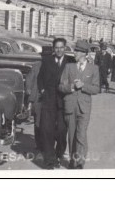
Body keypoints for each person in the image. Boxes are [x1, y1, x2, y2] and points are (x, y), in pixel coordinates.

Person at [58, 40, 100, 169]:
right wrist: (71, 86)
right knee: (71, 135)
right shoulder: (69, 67)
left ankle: (80, 161)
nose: (74, 53)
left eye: (77, 51)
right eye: (75, 50)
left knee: (81, 134)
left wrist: (83, 86)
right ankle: (73, 160)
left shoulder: (94, 68)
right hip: (70, 105)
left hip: (84, 107)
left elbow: (96, 89)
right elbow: (61, 86)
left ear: (84, 54)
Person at [37, 37, 72, 169]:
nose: (59, 50)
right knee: (47, 130)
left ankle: (58, 154)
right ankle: (49, 161)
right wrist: (42, 90)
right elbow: (40, 78)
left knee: (62, 131)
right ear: (53, 49)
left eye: (61, 47)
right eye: (56, 48)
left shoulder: (70, 61)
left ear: (65, 48)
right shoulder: (47, 61)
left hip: (64, 101)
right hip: (48, 100)